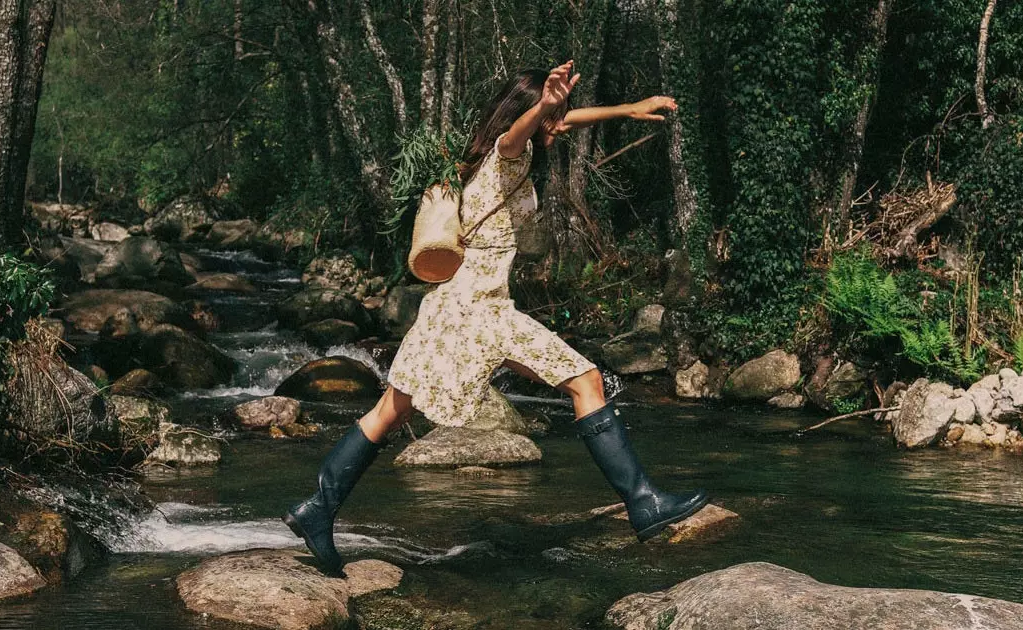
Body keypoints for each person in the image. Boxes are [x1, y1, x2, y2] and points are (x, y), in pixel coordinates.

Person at [284, 60, 708, 575]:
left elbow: (558, 123)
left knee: (389, 411)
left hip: (453, 308)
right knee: (586, 381)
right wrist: (543, 109)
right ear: (529, 111)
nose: (558, 124)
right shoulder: (508, 153)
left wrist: (628, 108)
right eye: (552, 114)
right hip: (480, 312)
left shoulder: (483, 153)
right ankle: (644, 503)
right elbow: (519, 134)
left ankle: (318, 509)